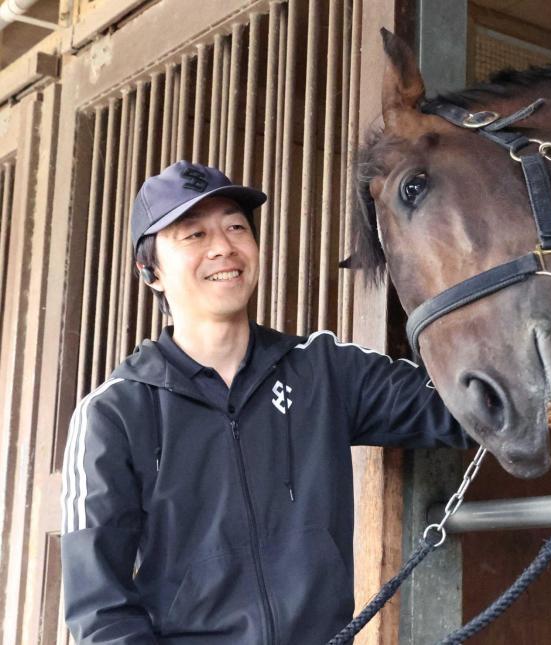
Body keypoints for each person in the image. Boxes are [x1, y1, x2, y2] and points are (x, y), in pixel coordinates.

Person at [60, 160, 470, 643]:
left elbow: (465, 404)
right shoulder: (115, 413)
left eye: (236, 226)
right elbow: (98, 610)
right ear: (150, 272)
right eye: (193, 235)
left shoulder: (323, 369)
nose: (223, 247)